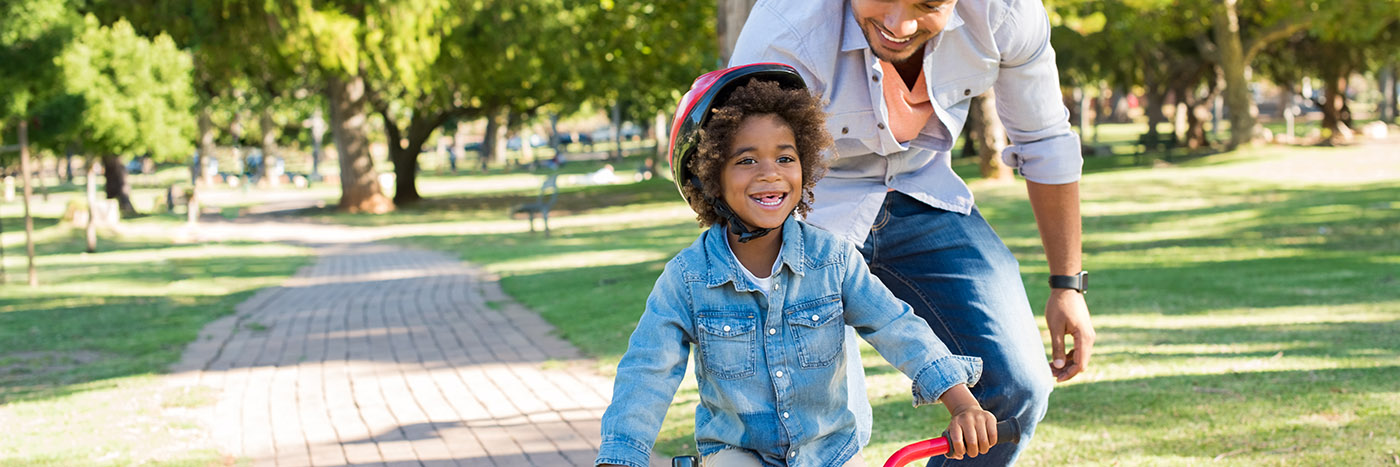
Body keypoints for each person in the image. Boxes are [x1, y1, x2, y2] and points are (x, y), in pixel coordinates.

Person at [729, 0, 1097, 464]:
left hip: (923, 190)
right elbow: (741, 175)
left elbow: (1044, 140)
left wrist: (1068, 285)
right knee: (821, 430)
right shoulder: (785, 31)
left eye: (926, 4)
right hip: (802, 215)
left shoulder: (1005, 13)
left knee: (1017, 386)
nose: (899, 25)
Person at [595, 64, 1001, 467]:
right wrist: (621, 456)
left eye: (785, 157)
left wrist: (961, 400)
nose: (771, 173)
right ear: (709, 176)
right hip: (738, 455)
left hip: (829, 453)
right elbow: (647, 372)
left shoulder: (833, 260)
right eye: (746, 160)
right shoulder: (687, 279)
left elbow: (896, 325)